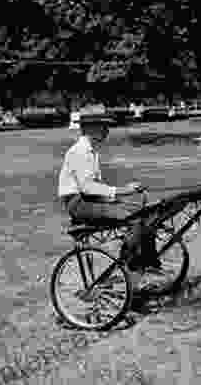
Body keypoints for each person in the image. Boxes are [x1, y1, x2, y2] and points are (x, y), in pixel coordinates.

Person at [58, 105, 160, 280]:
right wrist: (123, 191)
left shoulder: (91, 150)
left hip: (90, 200)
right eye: (103, 126)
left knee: (147, 211)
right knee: (134, 219)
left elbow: (94, 188)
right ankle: (130, 267)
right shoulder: (79, 152)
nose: (107, 130)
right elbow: (87, 187)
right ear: (90, 128)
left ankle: (148, 262)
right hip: (79, 204)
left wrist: (120, 194)